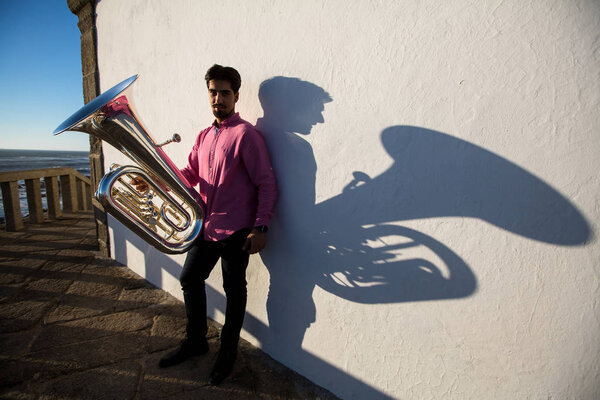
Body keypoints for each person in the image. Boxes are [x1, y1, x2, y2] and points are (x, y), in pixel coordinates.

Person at [158, 64, 277, 386]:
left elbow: (266, 183)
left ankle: (227, 353)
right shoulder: (203, 135)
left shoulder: (246, 135)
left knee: (234, 292)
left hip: (238, 230)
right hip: (206, 227)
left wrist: (260, 227)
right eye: (213, 91)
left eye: (225, 92)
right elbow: (191, 174)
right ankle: (196, 340)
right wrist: (159, 182)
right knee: (189, 278)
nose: (218, 98)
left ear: (236, 96)